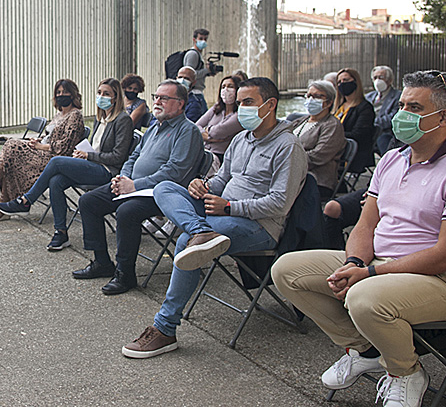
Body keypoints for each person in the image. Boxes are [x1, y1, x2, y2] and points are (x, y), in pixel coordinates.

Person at [271, 70, 446, 407]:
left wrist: (369, 274)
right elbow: (365, 225)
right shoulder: (392, 158)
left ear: (443, 117)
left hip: (441, 279)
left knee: (362, 297)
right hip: (377, 265)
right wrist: (355, 262)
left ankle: (405, 371)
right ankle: (366, 349)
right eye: (401, 105)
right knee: (287, 270)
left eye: (414, 108)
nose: (402, 115)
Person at [121, 77, 308, 359]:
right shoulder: (241, 140)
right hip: (218, 211)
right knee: (164, 188)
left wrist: (230, 207)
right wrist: (202, 185)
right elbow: (222, 179)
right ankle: (201, 231)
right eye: (240, 102)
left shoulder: (288, 147)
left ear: (270, 105)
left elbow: (280, 204)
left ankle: (165, 329)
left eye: (248, 102)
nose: (240, 107)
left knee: (186, 242)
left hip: (257, 225)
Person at [71, 80, 203, 295]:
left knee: (127, 212)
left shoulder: (187, 131)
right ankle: (102, 262)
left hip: (162, 193)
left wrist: (134, 185)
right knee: (89, 201)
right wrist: (123, 177)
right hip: (133, 185)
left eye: (164, 98)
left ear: (180, 104)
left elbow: (174, 171)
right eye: (156, 96)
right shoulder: (154, 127)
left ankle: (125, 274)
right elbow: (133, 156)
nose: (157, 101)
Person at [0, 78, 134, 250]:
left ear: (116, 97)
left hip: (108, 171)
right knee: (56, 181)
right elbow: (96, 147)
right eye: (99, 93)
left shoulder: (123, 120)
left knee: (56, 162)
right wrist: (82, 154)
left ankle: (26, 200)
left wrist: (88, 155)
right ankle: (60, 233)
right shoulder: (100, 119)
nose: (101, 97)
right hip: (91, 165)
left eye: (106, 94)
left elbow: (118, 157)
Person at [0, 79, 85, 221]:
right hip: (43, 151)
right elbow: (49, 136)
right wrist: (38, 140)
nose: (61, 95)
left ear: (73, 95)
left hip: (55, 159)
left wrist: (40, 146)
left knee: (12, 146)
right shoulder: (59, 115)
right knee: (11, 156)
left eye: (65, 92)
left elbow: (65, 147)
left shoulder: (75, 116)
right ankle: (1, 201)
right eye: (58, 92)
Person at [288, 80, 346, 199]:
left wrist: (288, 161)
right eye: (309, 95)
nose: (311, 99)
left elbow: (318, 156)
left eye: (317, 96)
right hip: (290, 173)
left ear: (329, 102)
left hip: (316, 179)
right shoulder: (300, 121)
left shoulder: (332, 125)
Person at [333, 67, 376, 173]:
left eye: (346, 80)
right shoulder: (339, 107)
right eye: (339, 82)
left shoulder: (365, 107)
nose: (342, 84)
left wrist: (333, 136)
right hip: (335, 147)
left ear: (356, 81)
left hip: (353, 152)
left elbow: (359, 134)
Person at [195, 75, 243, 163]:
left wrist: (205, 132)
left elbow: (217, 132)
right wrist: (207, 136)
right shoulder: (216, 108)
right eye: (223, 87)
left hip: (221, 157)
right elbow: (196, 126)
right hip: (203, 151)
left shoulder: (240, 115)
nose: (226, 90)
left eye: (230, 86)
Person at [366, 65, 401, 154]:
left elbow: (393, 117)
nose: (378, 80)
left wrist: (371, 122)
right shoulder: (368, 97)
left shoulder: (398, 96)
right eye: (375, 77)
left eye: (381, 77)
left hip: (385, 133)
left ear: (390, 80)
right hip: (368, 132)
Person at [183, 27, 212, 92]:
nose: (203, 41)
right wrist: (206, 70)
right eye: (200, 38)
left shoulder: (199, 54)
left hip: (198, 89)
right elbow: (188, 74)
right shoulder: (193, 54)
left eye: (205, 39)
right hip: (193, 90)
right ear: (194, 40)